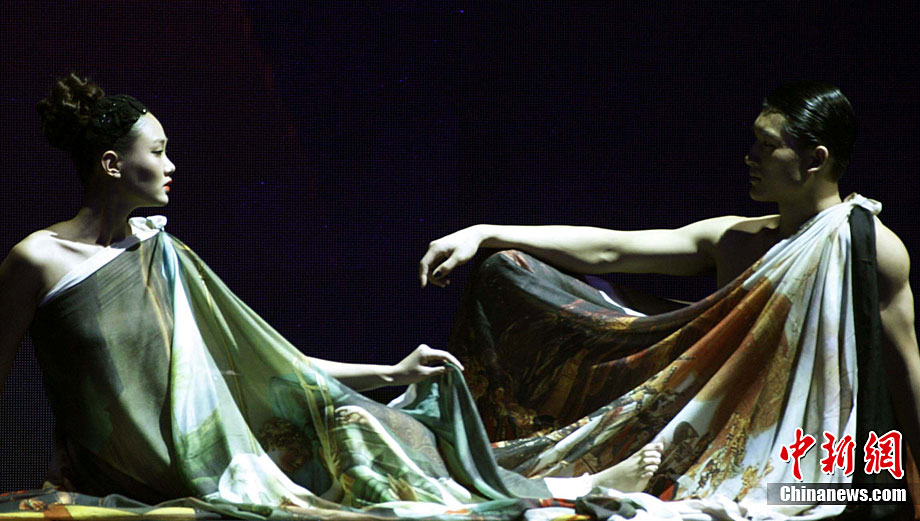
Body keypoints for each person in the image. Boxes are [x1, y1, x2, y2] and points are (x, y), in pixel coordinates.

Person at [0, 73, 661, 520]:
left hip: (205, 448)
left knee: (362, 421)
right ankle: (564, 487)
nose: (171, 166)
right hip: (137, 469)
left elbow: (264, 362)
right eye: (159, 151)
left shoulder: (161, 253)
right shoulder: (38, 259)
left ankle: (565, 487)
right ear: (112, 164)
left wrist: (391, 372)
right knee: (349, 446)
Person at [419, 81, 920, 519]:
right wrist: (484, 232)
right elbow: (612, 249)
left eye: (767, 146)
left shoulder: (869, 248)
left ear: (815, 159)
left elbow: (905, 369)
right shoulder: (734, 238)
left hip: (798, 462)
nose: (750, 156)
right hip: (695, 425)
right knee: (508, 268)